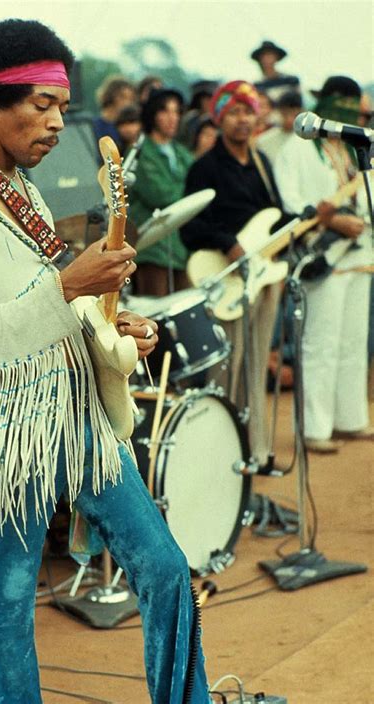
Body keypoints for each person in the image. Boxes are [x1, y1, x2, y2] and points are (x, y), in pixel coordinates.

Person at [0, 20, 211, 703]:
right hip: (5, 435)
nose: (55, 122)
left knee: (162, 568)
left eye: (63, 108)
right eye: (40, 104)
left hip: (76, 415)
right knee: (5, 598)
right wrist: (70, 284)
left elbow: (44, 307)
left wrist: (104, 318)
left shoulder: (25, 190)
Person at [181, 80, 287, 471]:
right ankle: (216, 454)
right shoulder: (204, 168)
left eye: (249, 112)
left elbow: (275, 215)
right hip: (225, 278)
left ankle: (253, 450)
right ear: (220, 117)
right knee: (225, 366)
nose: (243, 120)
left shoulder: (262, 163)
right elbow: (189, 228)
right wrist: (228, 243)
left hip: (262, 278)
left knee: (257, 365)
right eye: (235, 112)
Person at [274, 75, 373, 453]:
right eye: (348, 106)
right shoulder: (297, 148)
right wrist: (331, 220)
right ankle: (315, 427)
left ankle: (350, 418)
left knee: (352, 341)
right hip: (323, 253)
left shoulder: (354, 147)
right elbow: (291, 202)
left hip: (361, 251)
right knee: (322, 341)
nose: (355, 115)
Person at [128, 88, 193, 296]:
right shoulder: (140, 152)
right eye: (165, 111)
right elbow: (160, 195)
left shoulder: (181, 152)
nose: (172, 118)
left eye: (176, 112)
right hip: (153, 250)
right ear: (153, 115)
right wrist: (189, 190)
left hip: (181, 248)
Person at [256, 90, 303, 166]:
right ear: (279, 112)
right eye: (285, 114)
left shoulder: (307, 141)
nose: (289, 120)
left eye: (294, 115)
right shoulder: (263, 141)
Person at [251, 40, 300, 104]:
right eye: (264, 56)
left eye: (270, 55)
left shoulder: (291, 80)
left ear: (276, 57)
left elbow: (298, 104)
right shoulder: (257, 85)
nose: (267, 59)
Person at [93, 75, 136, 145]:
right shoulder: (94, 126)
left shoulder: (126, 129)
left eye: (131, 99)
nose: (128, 103)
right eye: (123, 97)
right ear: (110, 96)